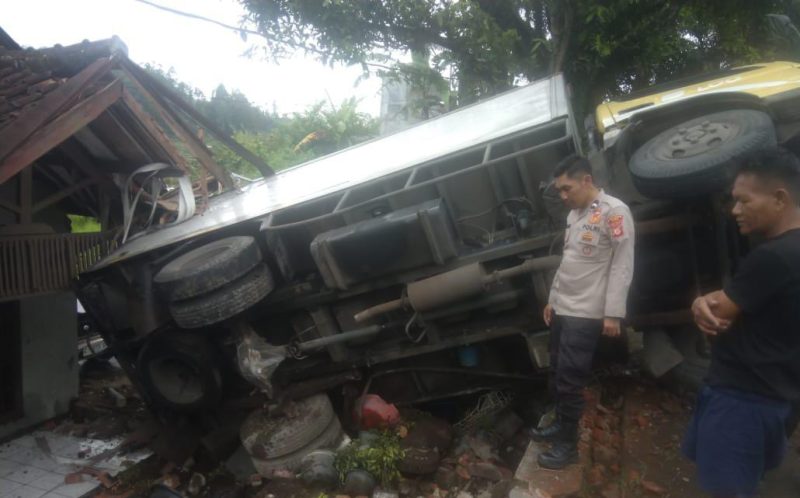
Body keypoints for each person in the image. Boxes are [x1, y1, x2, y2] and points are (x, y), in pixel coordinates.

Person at [687, 147, 800, 498]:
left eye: (744, 201)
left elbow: (719, 310)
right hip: (776, 395)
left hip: (742, 402)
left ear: (779, 198)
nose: (735, 210)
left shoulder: (772, 256)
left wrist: (697, 303)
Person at [530, 154, 635, 469]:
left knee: (570, 380)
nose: (562, 196)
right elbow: (569, 261)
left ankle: (567, 447)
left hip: (586, 313)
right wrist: (552, 299)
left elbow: (622, 264)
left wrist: (613, 313)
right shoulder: (575, 214)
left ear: (586, 180)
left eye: (566, 188)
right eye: (559, 190)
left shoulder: (614, 213)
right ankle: (562, 425)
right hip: (564, 309)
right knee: (557, 372)